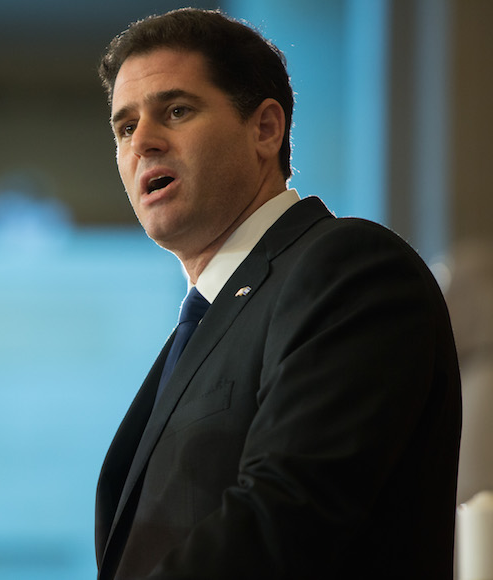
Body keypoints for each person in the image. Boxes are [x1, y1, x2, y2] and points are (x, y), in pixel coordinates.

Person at [94, 8, 462, 580]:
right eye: (124, 127)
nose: (143, 142)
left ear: (265, 129)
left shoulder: (349, 270)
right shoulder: (205, 325)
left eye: (176, 110)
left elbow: (283, 520)